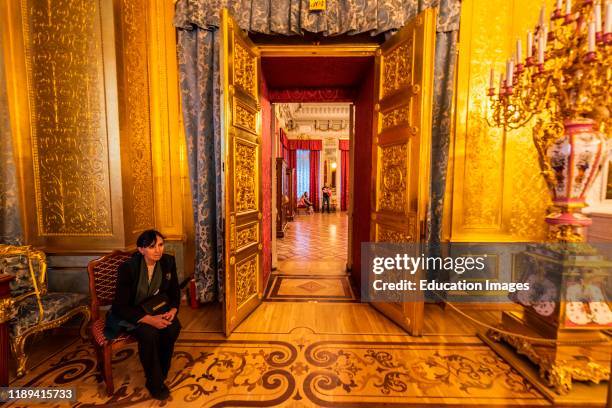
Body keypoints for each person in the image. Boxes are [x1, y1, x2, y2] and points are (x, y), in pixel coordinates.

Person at [104, 230, 181, 400]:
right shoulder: (128, 268)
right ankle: (154, 382)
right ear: (141, 249)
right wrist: (149, 320)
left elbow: (175, 292)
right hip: (132, 312)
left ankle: (161, 372)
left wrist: (173, 310)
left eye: (160, 245)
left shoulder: (168, 261)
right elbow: (119, 306)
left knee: (173, 327)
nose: (158, 250)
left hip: (157, 308)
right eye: (151, 246)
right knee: (149, 333)